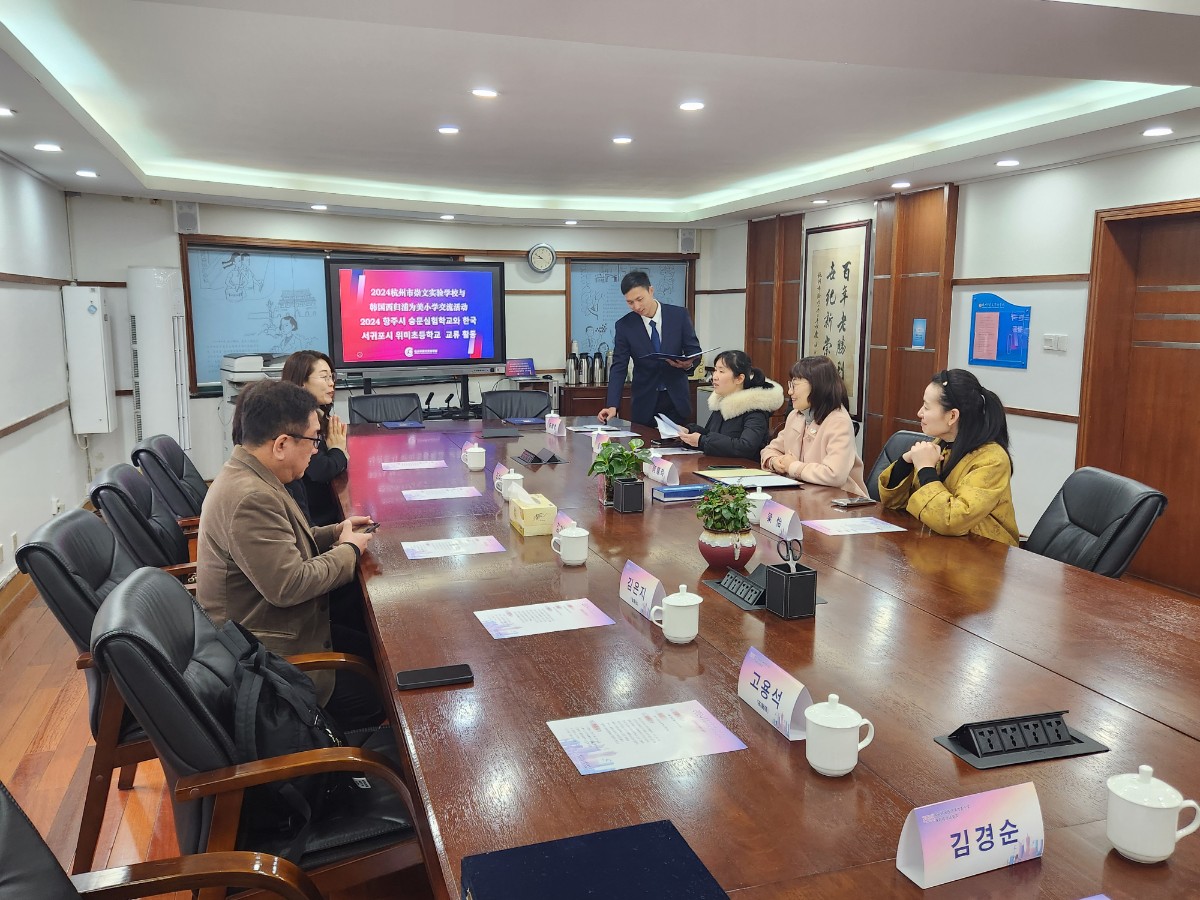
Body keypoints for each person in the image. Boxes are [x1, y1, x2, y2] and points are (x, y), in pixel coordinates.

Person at [198, 379, 381, 727]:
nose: (317, 450)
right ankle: (344, 769)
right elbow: (290, 585)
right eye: (314, 439)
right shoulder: (250, 496)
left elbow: (287, 542)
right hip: (268, 662)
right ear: (282, 444)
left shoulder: (253, 475)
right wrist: (348, 551)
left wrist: (334, 532)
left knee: (375, 648)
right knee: (383, 687)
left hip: (278, 631)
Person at [878, 368, 1018, 545]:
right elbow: (894, 504)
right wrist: (906, 461)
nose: (919, 413)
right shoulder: (939, 445)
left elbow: (953, 521)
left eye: (926, 407)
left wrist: (926, 470)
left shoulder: (992, 459)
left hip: (982, 555)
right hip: (940, 546)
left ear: (952, 416)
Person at [597, 270, 701, 427]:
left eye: (640, 299)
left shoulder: (678, 315)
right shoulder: (624, 325)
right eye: (630, 302)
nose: (637, 306)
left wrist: (688, 364)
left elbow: (695, 351)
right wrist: (612, 405)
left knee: (678, 450)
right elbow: (619, 366)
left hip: (676, 401)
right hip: (644, 403)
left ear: (651, 291)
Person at [761, 356, 868, 496]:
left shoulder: (838, 421)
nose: (790, 392)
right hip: (804, 496)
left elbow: (834, 474)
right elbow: (771, 449)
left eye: (795, 385)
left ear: (817, 386)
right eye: (790, 385)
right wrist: (774, 461)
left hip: (838, 502)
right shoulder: (796, 416)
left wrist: (793, 467)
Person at [280, 350, 348, 526]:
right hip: (316, 519)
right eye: (324, 377)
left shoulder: (315, 414)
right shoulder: (297, 420)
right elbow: (321, 470)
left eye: (332, 377)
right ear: (302, 383)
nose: (331, 384)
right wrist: (339, 450)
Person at [676, 350, 782, 460]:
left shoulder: (755, 410)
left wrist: (701, 440)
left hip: (743, 471)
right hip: (716, 465)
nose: (714, 377)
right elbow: (711, 435)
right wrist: (689, 431)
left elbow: (745, 447)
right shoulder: (722, 402)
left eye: (721, 371)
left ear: (739, 379)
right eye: (715, 370)